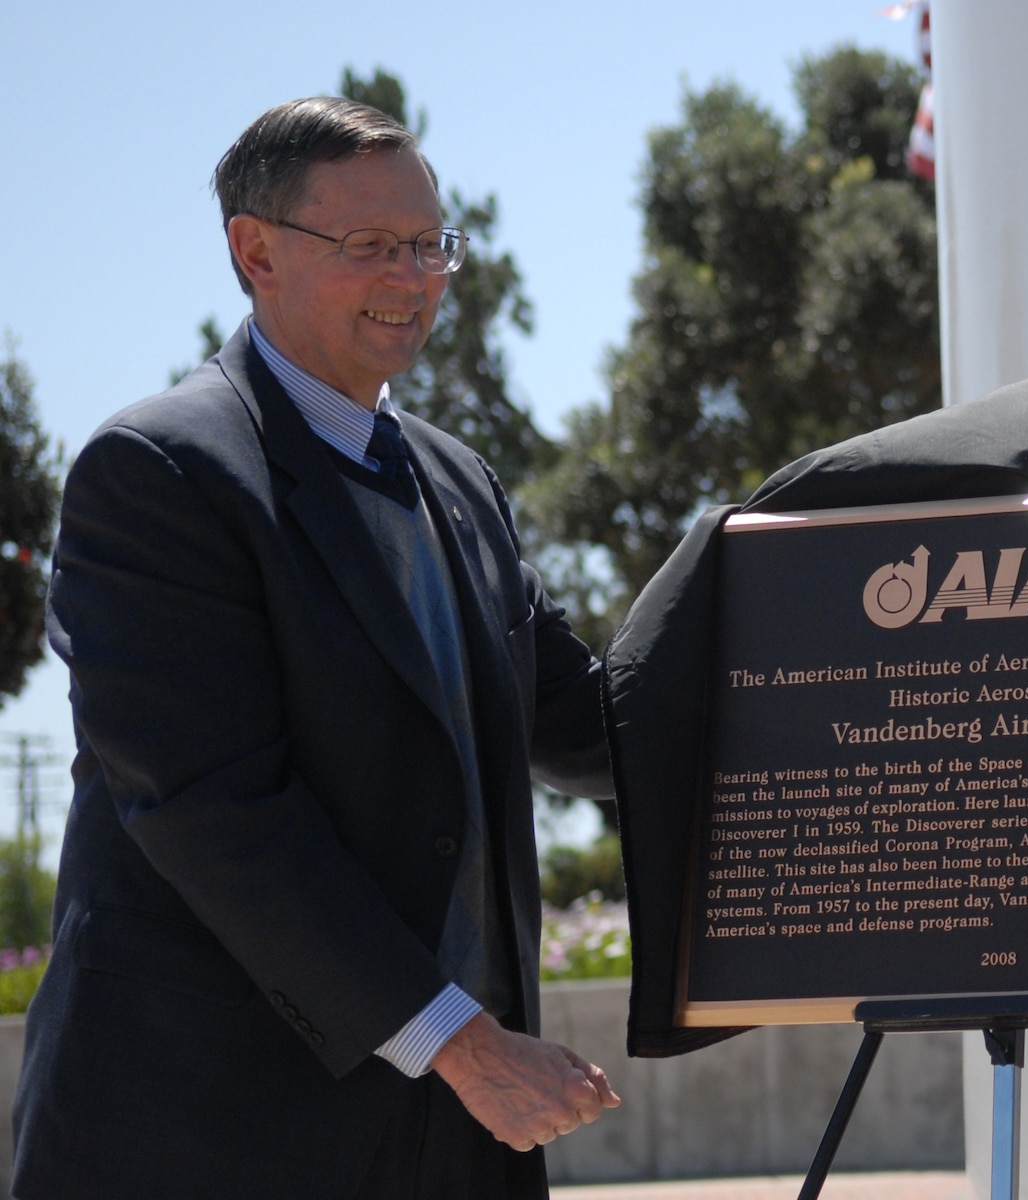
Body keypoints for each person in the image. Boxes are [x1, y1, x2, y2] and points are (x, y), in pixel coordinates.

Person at [11, 98, 621, 1199]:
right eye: (370, 245)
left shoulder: (460, 484)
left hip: (456, 1139)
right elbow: (214, 808)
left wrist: (817, 668)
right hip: (211, 1138)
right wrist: (460, 1043)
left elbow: (588, 721)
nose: (413, 277)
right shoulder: (160, 471)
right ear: (255, 252)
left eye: (430, 244)